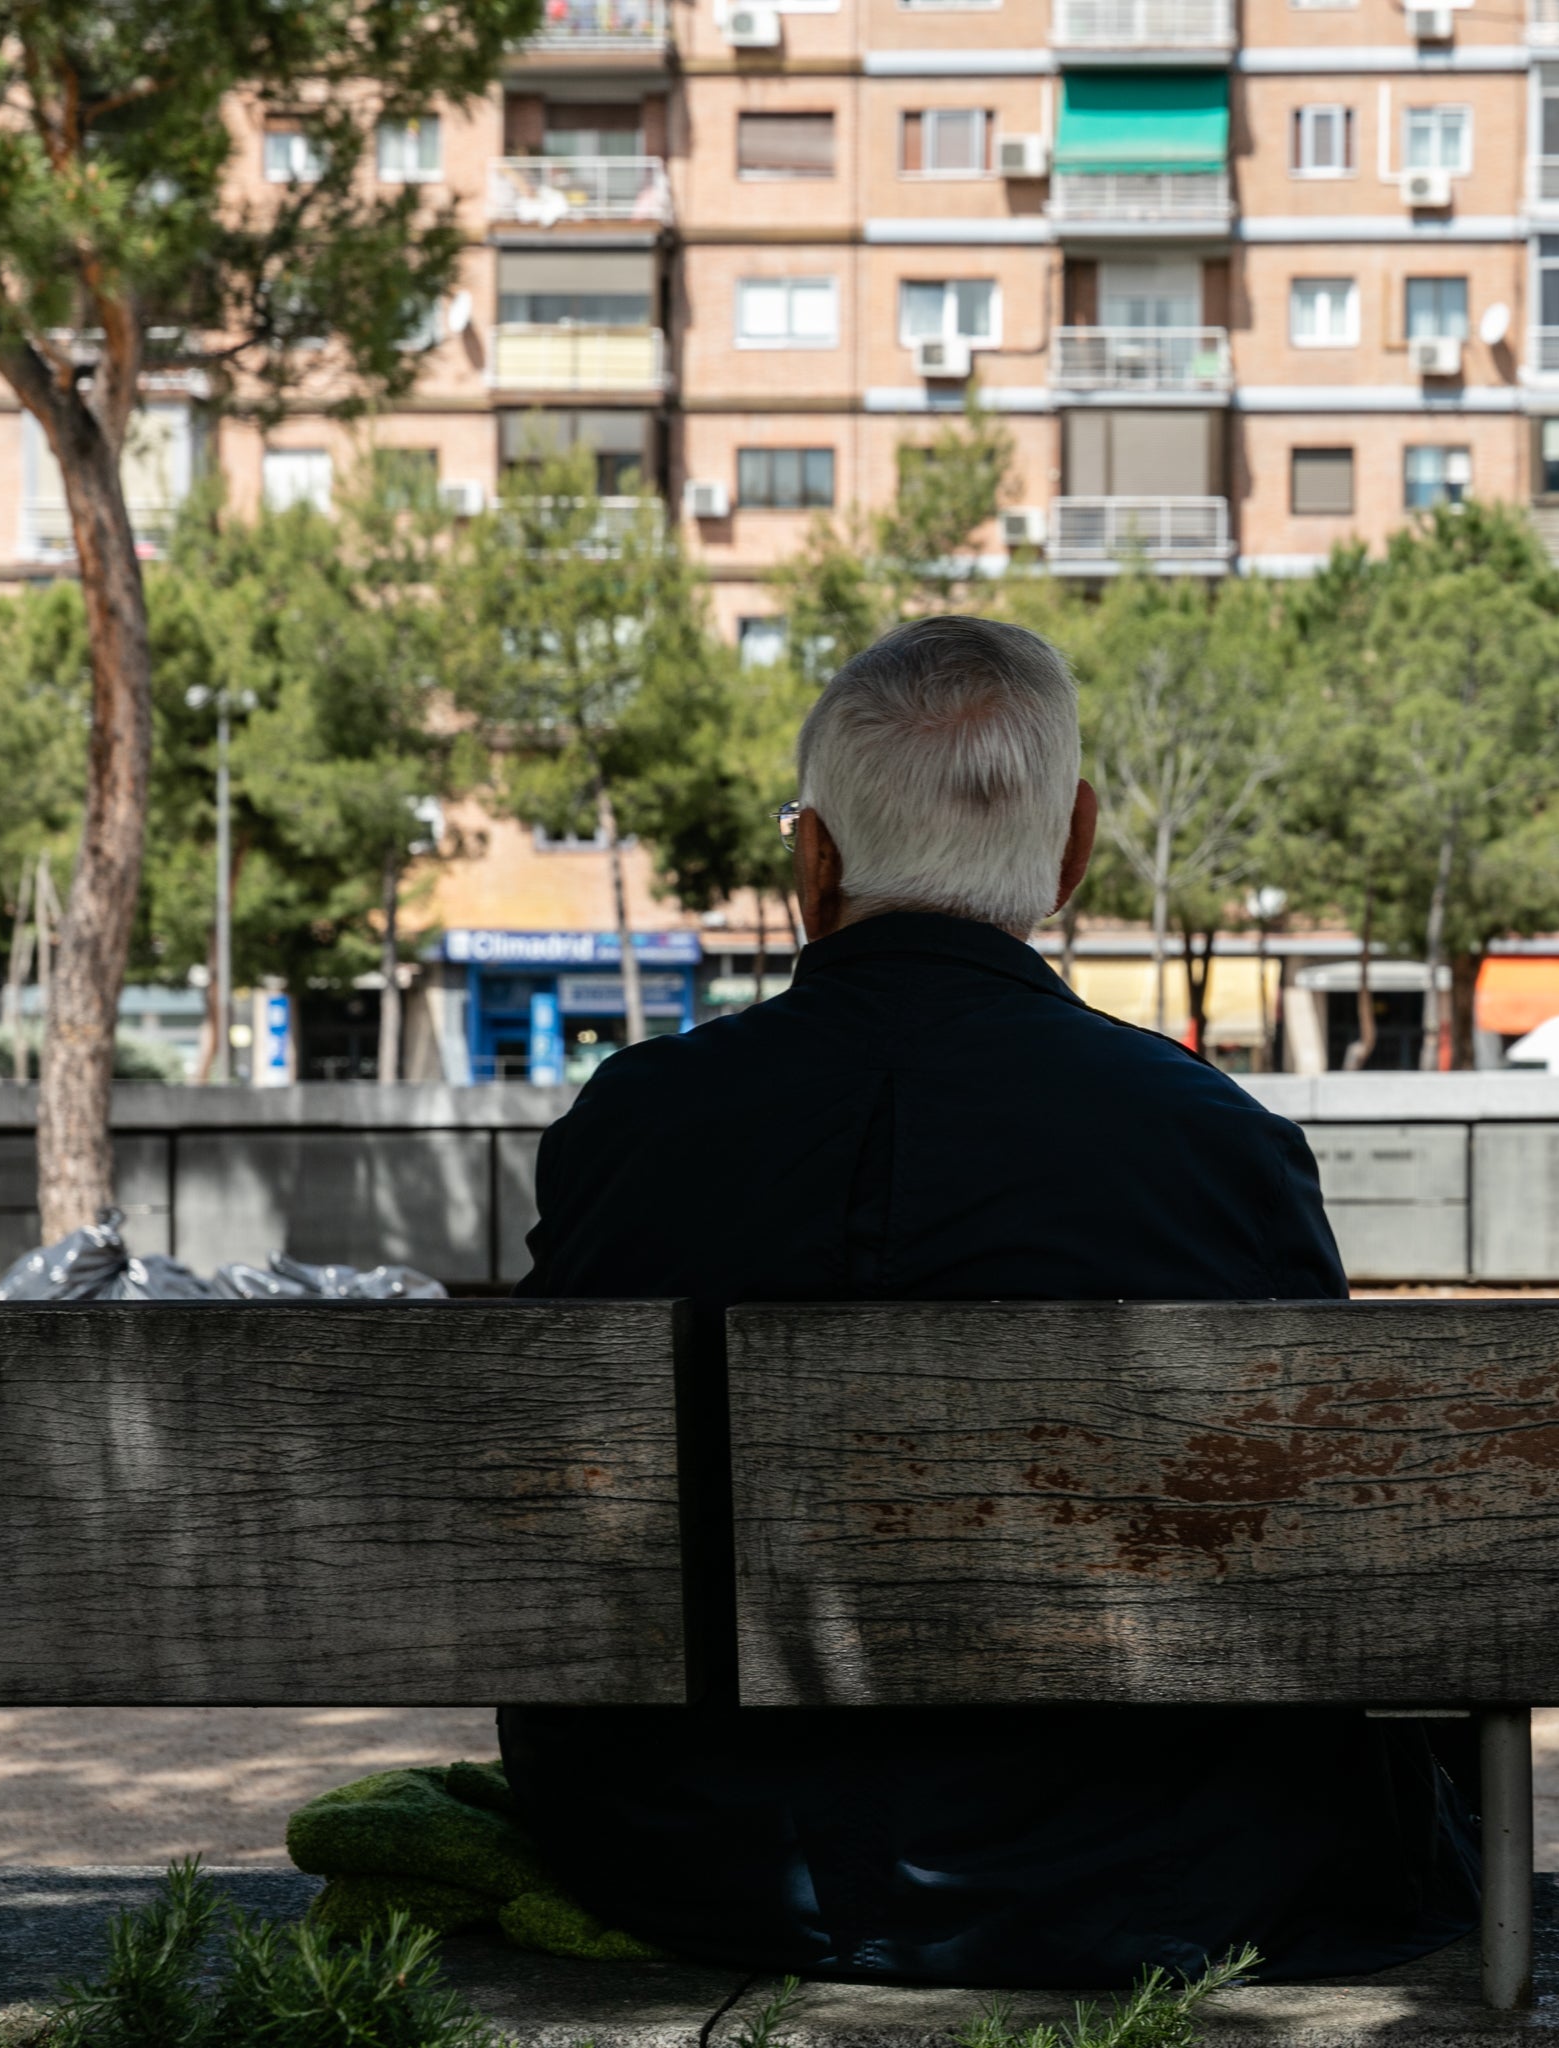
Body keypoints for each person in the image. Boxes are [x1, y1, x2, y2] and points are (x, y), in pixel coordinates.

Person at [501, 616, 1478, 1987]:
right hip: (1139, 1869)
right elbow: (1302, 1537)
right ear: (1074, 849)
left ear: (812, 862)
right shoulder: (1214, 1141)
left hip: (685, 1861)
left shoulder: (630, 1125)